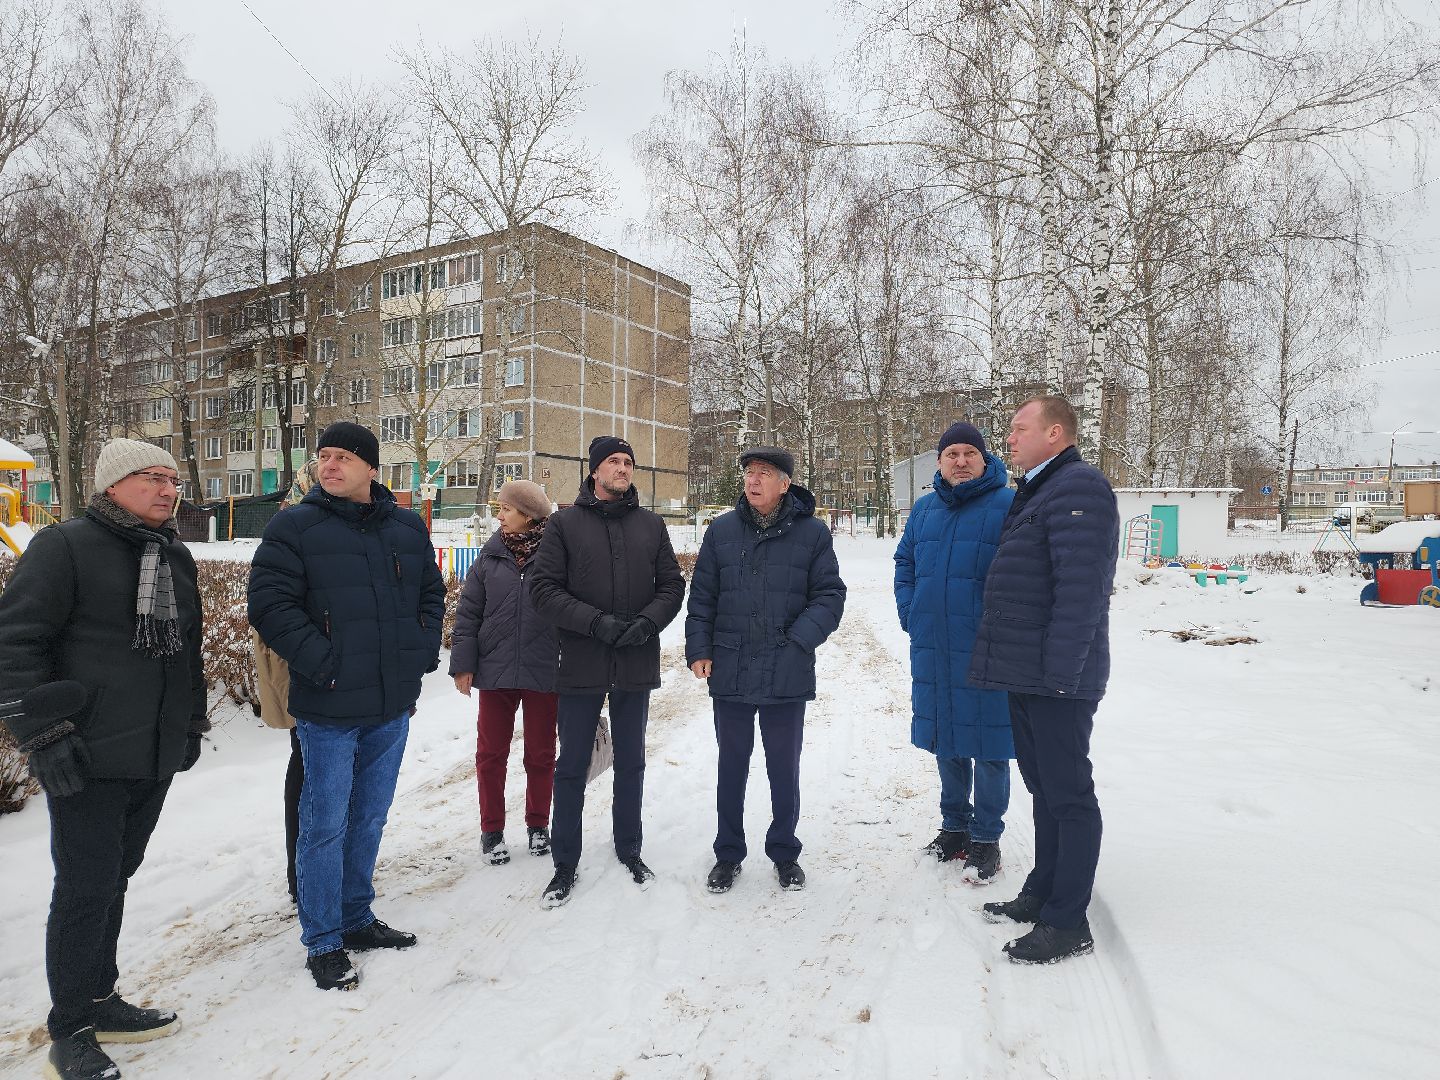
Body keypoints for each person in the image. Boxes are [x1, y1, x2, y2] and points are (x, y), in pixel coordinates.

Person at [0, 438, 208, 1080]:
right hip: (84, 753)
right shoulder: (63, 547)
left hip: (152, 751)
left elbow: (186, 650)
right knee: (85, 889)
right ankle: (70, 1029)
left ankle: (100, 998)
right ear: (112, 484)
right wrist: (44, 734)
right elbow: (15, 644)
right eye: (152, 478)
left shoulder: (172, 553)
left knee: (116, 877)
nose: (168, 490)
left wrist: (190, 722)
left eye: (172, 479)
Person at [248, 422, 445, 991]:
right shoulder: (295, 526)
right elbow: (270, 605)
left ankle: (356, 917)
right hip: (328, 707)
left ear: (372, 468)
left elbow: (430, 594)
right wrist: (324, 663)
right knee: (324, 825)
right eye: (324, 456)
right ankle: (323, 940)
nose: (329, 465)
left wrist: (417, 655)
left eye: (344, 457)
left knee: (370, 817)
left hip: (391, 704)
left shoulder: (406, 526)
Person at [968, 396, 1119, 965]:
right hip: (1030, 673)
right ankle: (1042, 890)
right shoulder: (1041, 489)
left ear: (1055, 433)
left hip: (1058, 678)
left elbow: (1081, 593)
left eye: (1019, 428)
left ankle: (1067, 920)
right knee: (1044, 789)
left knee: (1069, 795)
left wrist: (1060, 676)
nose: (1008, 438)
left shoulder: (1080, 488)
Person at [527, 435, 685, 908]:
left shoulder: (651, 525)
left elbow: (671, 585)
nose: (622, 468)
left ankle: (629, 848)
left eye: (628, 462)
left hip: (635, 659)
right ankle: (565, 862)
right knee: (573, 764)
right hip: (582, 661)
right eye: (613, 461)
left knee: (631, 760)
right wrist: (595, 622)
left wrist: (648, 623)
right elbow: (544, 590)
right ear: (594, 470)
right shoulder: (564, 525)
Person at [685, 446, 845, 894]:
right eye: (749, 473)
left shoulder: (812, 534)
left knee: (783, 768)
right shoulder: (721, 531)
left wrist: (798, 642)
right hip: (731, 667)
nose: (753, 480)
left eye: (764, 473)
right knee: (731, 766)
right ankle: (728, 854)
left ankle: (784, 852)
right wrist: (699, 648)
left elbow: (830, 596)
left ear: (785, 484)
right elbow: (702, 598)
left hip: (785, 669)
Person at [894, 422, 1015, 883]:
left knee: (989, 743)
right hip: (934, 643)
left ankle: (986, 837)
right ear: (940, 461)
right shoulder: (925, 510)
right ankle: (954, 827)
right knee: (945, 736)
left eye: (969, 453)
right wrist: (911, 610)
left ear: (984, 459)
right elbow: (905, 562)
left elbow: (1025, 572)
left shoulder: (1008, 505)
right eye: (952, 454)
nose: (960, 461)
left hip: (988, 646)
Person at [449, 479, 559, 865]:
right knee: (491, 754)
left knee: (541, 754)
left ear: (528, 515)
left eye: (506, 509)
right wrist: (463, 665)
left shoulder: (557, 555)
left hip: (544, 667)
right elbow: (468, 614)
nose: (499, 516)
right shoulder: (489, 556)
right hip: (494, 669)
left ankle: (538, 825)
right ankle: (492, 831)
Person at [251, 457, 320, 904]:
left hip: (319, 669)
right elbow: (273, 610)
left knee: (318, 767)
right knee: (308, 764)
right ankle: (303, 873)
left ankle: (314, 869)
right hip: (304, 669)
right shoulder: (290, 530)